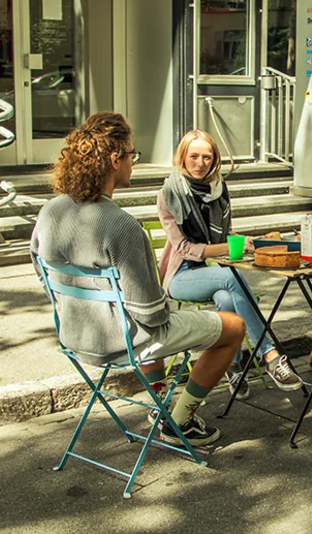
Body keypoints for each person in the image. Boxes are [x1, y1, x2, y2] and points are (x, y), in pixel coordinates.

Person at [31, 112, 244, 446]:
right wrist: (172, 310)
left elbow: (44, 275)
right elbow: (151, 315)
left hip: (74, 335)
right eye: (132, 154)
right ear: (116, 160)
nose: (134, 161)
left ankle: (160, 404)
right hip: (124, 342)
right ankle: (180, 420)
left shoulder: (50, 212)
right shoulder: (122, 226)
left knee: (150, 320)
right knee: (233, 327)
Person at [156, 130, 304, 399]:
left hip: (210, 271)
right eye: (194, 156)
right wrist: (230, 246)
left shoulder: (219, 189)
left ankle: (232, 365)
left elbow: (226, 236)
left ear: (214, 160)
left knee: (226, 297)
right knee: (229, 279)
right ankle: (269, 353)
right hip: (180, 276)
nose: (200, 163)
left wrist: (249, 243)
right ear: (182, 157)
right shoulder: (170, 194)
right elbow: (186, 249)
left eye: (207, 157)